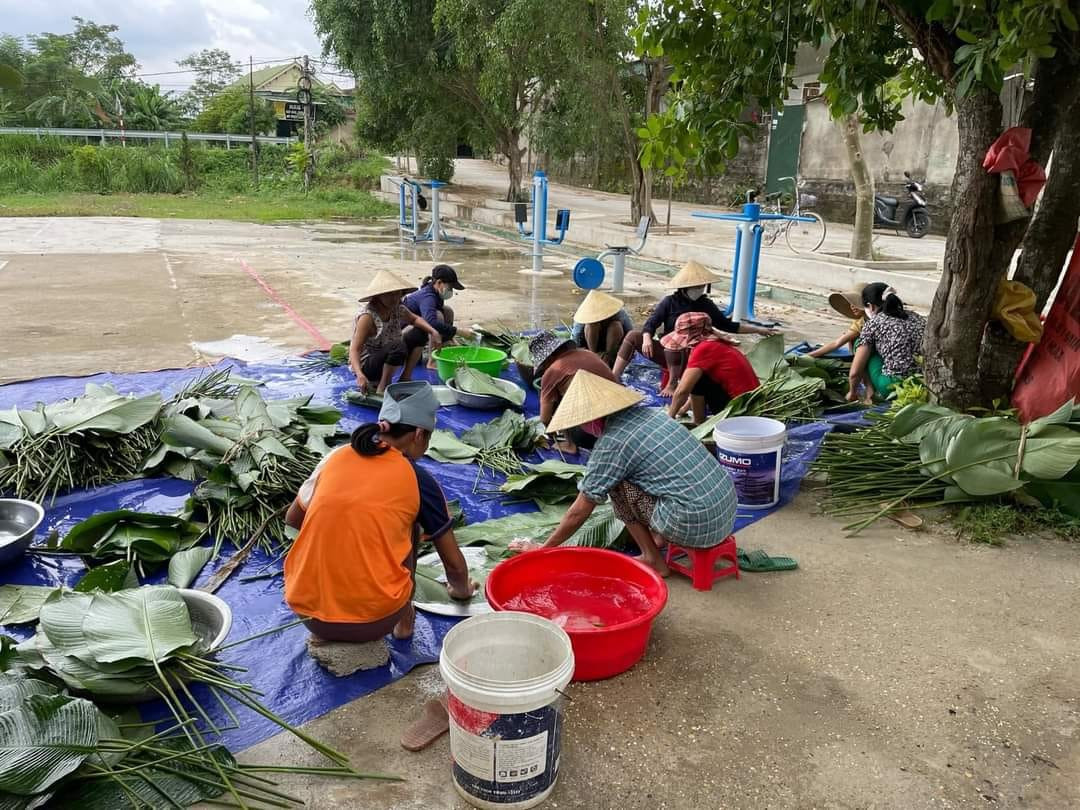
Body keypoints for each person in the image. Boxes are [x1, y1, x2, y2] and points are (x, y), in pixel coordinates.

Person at [284, 381, 476, 644]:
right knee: (411, 527)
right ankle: (404, 623)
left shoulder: (335, 457)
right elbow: (453, 565)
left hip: (306, 613)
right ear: (419, 434)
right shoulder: (417, 478)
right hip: (373, 621)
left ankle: (328, 614)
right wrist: (461, 591)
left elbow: (293, 520)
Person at [513, 371, 738, 575]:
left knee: (618, 485)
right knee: (655, 477)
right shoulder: (653, 415)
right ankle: (658, 538)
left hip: (695, 523)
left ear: (591, 420)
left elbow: (579, 511)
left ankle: (652, 558)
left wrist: (542, 550)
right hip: (725, 510)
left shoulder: (612, 444)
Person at [612, 259, 778, 397]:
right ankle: (614, 377)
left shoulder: (706, 304)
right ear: (685, 288)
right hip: (668, 349)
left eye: (702, 286)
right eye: (696, 287)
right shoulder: (669, 302)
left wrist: (759, 329)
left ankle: (673, 382)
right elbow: (651, 323)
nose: (700, 289)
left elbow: (727, 325)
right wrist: (647, 337)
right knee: (634, 336)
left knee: (686, 357)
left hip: (692, 354)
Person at [348, 270, 441, 394]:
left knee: (420, 332)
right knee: (398, 346)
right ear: (379, 296)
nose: (395, 298)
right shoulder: (367, 317)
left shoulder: (397, 308)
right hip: (369, 365)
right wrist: (360, 375)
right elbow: (355, 349)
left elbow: (415, 319)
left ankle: (405, 377)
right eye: (389, 294)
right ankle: (383, 387)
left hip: (391, 356)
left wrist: (433, 332)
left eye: (397, 294)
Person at [664, 312, 760, 424]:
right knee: (697, 377)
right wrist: (682, 409)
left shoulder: (704, 348)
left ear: (692, 334)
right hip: (750, 401)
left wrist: (669, 417)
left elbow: (683, 391)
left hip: (740, 408)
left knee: (696, 380)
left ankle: (698, 422)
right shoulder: (714, 341)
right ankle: (697, 418)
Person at [530, 330, 616, 453]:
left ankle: (568, 444)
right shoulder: (588, 353)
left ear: (548, 358)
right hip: (619, 419)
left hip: (592, 434)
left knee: (555, 399)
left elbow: (545, 418)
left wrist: (554, 433)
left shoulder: (553, 371)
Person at [847, 282, 926, 402]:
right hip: (923, 381)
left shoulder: (873, 324)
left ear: (871, 306)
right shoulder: (916, 317)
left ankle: (871, 392)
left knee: (860, 342)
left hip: (893, 386)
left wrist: (852, 393)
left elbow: (854, 373)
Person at [403, 264, 475, 367]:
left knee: (447, 310)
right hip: (403, 339)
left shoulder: (436, 293)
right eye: (450, 287)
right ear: (439, 282)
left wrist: (450, 338)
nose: (451, 290)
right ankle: (432, 362)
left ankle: (445, 343)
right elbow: (431, 322)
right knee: (437, 316)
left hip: (416, 331)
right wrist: (459, 331)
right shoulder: (427, 297)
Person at [571, 290, 634, 367]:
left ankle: (608, 357)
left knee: (616, 326)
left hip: (613, 348)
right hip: (590, 348)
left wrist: (610, 354)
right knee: (591, 326)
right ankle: (593, 355)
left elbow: (630, 335)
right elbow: (575, 340)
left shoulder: (619, 314)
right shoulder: (585, 316)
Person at [808, 288, 867, 358]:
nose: (852, 306)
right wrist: (809, 355)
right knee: (850, 337)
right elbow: (837, 343)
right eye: (851, 303)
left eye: (855, 302)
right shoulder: (860, 322)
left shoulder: (876, 320)